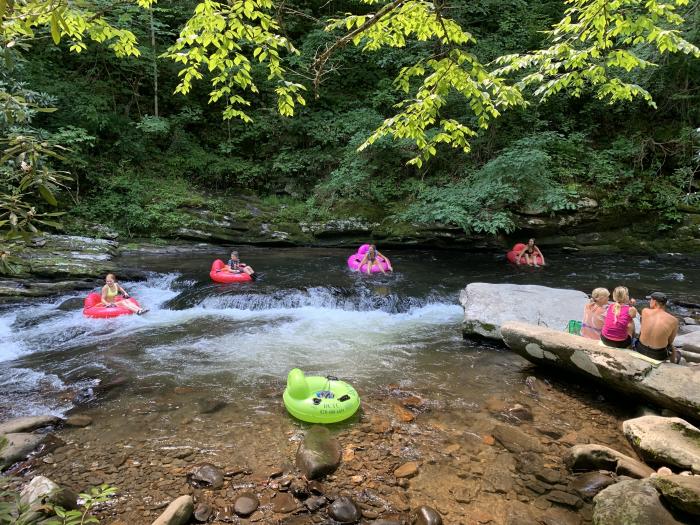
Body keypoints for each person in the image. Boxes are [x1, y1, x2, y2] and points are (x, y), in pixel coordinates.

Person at [635, 292, 679, 362]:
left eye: (650, 300)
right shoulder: (674, 320)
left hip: (641, 349)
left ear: (655, 302)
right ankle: (673, 364)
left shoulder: (645, 311)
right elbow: (670, 341)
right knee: (672, 347)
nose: (649, 302)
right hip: (658, 354)